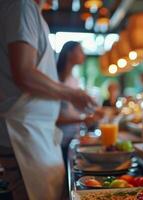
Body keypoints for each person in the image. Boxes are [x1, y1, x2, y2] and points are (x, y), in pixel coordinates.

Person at [0, 0, 96, 199]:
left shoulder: (30, 10)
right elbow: (24, 73)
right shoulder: (22, 6)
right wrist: (71, 94)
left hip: (35, 132)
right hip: (23, 133)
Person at [56, 41, 101, 160]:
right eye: (80, 51)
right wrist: (81, 119)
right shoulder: (56, 80)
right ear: (70, 53)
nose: (84, 55)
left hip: (72, 138)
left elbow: (76, 109)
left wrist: (94, 112)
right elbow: (53, 118)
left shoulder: (73, 79)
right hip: (58, 140)